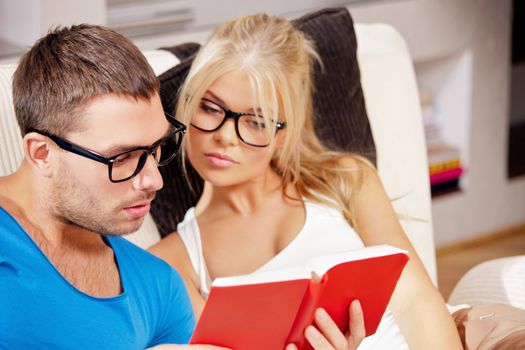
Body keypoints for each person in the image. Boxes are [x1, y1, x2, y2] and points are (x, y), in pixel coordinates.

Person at [149, 13, 464, 350]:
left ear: (284, 134)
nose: (226, 136)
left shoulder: (346, 181)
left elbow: (416, 299)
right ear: (187, 104)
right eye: (210, 108)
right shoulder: (174, 261)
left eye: (255, 122)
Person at [0, 24, 227, 350]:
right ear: (42, 154)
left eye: (156, 148)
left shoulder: (159, 287)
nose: (154, 180)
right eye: (122, 157)